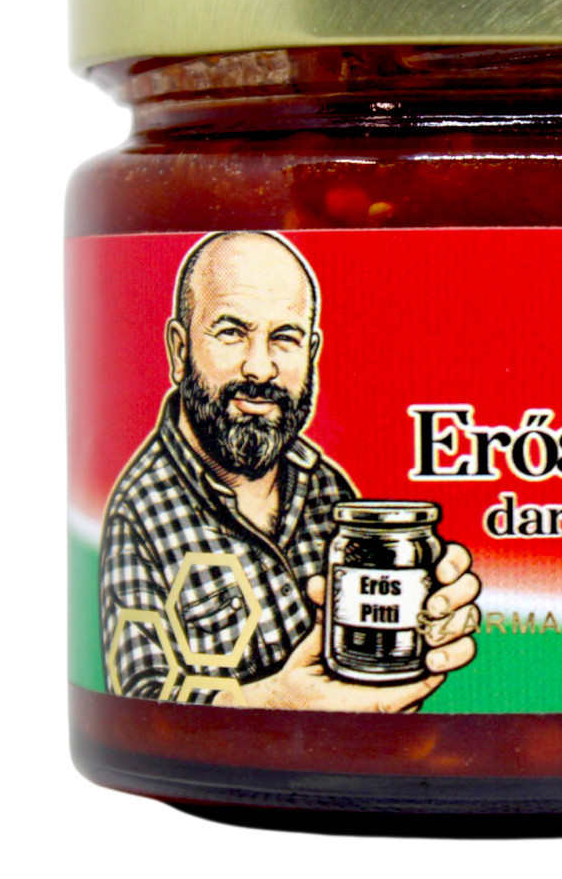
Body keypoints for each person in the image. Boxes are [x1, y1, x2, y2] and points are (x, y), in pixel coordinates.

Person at [100, 231, 479, 709]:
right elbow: (138, 703)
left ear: (311, 352)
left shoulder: (325, 487)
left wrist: (426, 618)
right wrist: (280, 706)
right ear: (179, 350)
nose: (260, 369)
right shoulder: (139, 512)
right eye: (231, 332)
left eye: (284, 338)